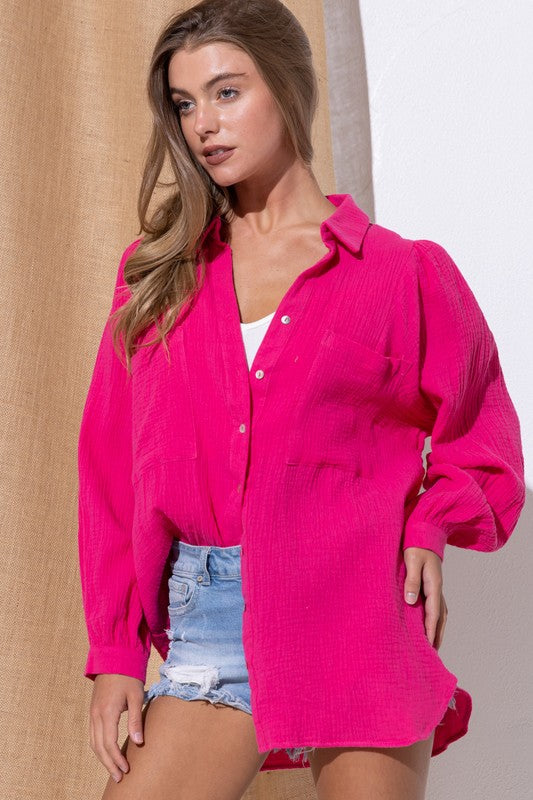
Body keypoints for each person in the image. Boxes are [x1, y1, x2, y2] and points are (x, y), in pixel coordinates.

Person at [77, 1, 525, 798]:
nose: (203, 124)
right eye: (184, 103)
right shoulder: (160, 275)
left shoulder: (400, 274)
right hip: (214, 619)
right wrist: (115, 652)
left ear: (286, 87)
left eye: (226, 92)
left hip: (359, 608)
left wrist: (429, 524)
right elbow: (111, 470)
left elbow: (482, 442)